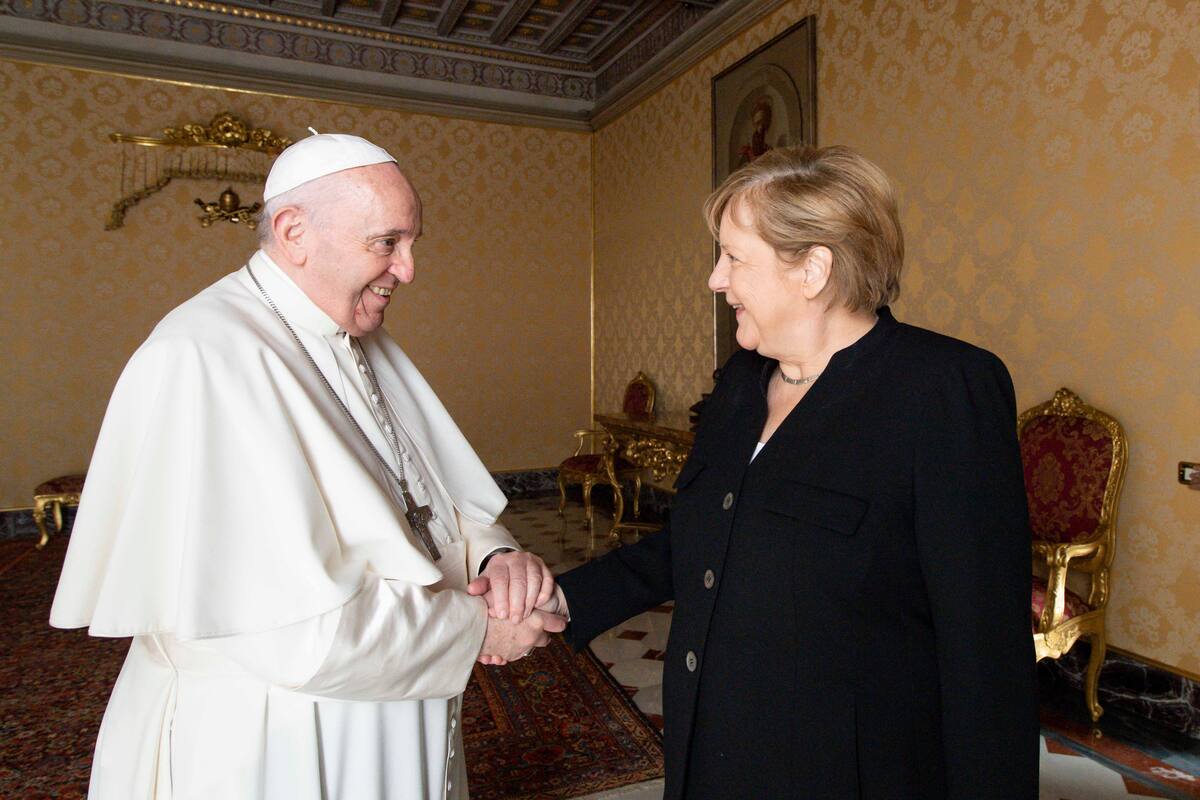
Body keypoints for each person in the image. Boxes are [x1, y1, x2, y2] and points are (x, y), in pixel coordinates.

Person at [496, 145, 1039, 798]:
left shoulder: (943, 389)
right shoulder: (740, 384)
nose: (715, 280)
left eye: (734, 258)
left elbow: (986, 649)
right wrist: (561, 601)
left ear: (812, 269)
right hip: (711, 755)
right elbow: (696, 540)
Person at [50, 132, 563, 800]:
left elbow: (433, 500)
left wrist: (498, 559)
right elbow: (289, 632)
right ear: (295, 232)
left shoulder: (356, 336)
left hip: (396, 700)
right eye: (387, 242)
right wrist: (480, 627)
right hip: (278, 737)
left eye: (412, 243)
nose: (408, 269)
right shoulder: (203, 356)